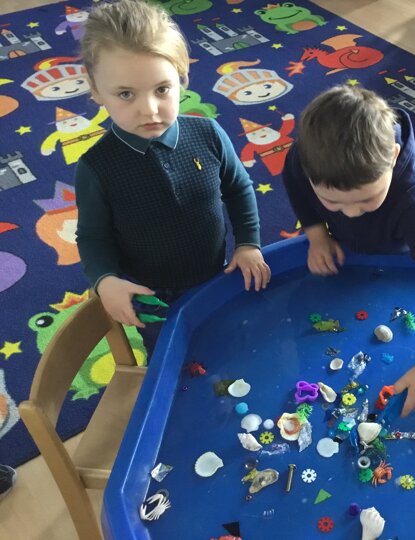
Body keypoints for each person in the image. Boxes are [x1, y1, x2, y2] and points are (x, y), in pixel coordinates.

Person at [75, 0, 270, 353]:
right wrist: (105, 281)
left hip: (215, 275)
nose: (149, 109)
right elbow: (92, 236)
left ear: (182, 77)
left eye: (162, 89)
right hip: (150, 295)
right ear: (96, 89)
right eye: (125, 94)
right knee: (168, 355)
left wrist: (247, 243)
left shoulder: (209, 134)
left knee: (223, 342)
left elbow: (238, 188)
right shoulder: (96, 167)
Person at [282, 85, 415, 417]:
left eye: (367, 199)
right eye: (333, 201)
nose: (351, 212)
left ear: (393, 156)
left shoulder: (414, 199)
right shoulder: (303, 159)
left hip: (398, 251)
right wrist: (316, 233)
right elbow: (293, 180)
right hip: (342, 246)